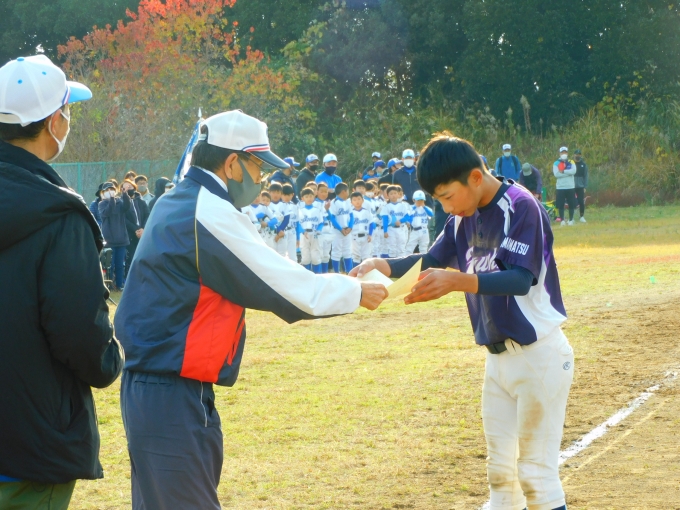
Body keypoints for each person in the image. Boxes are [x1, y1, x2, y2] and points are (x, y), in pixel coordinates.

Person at [114, 110, 387, 510]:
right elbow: (285, 286)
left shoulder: (178, 199)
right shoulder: (207, 210)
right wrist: (355, 291)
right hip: (170, 390)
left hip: (163, 386)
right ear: (231, 163)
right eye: (258, 166)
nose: (261, 178)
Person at [351, 132, 573, 510]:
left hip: (539, 355)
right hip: (497, 361)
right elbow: (431, 260)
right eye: (439, 200)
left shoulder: (521, 206)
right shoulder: (460, 219)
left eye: (448, 196)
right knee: (501, 478)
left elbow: (520, 279)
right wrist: (381, 265)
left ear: (474, 177)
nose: (447, 208)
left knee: (536, 476)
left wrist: (458, 281)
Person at [0, 54, 123, 507]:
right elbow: (79, 333)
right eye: (67, 110)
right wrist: (110, 359)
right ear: (54, 121)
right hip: (29, 445)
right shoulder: (59, 214)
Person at [99, 181, 131, 290]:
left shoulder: (120, 202)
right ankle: (109, 285)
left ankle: (119, 284)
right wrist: (112, 199)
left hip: (121, 239)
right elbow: (107, 212)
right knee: (110, 265)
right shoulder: (102, 204)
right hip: (109, 240)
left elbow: (127, 206)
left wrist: (125, 194)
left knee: (120, 265)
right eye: (107, 190)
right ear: (103, 192)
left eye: (112, 189)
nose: (110, 192)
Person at [120, 179, 150, 277]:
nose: (128, 188)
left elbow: (147, 215)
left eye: (130, 186)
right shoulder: (120, 202)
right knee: (131, 258)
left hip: (143, 234)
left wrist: (143, 229)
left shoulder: (141, 201)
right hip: (130, 235)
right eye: (125, 187)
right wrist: (135, 229)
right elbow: (123, 219)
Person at [329, 182, 354, 273]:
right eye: (347, 191)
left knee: (347, 251)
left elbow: (351, 215)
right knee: (336, 252)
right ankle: (336, 272)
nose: (348, 193)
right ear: (343, 191)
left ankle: (349, 271)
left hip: (347, 230)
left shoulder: (347, 202)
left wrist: (350, 227)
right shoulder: (334, 202)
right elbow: (332, 218)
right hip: (337, 231)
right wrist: (340, 229)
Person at [297, 187, 324, 272]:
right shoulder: (300, 210)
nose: (309, 198)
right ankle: (306, 276)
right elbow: (298, 224)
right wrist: (302, 231)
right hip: (304, 234)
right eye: (306, 196)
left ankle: (317, 275)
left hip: (315, 233)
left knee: (315, 257)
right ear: (302, 198)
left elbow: (321, 222)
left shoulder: (317, 210)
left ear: (314, 197)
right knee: (305, 257)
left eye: (311, 196)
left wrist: (319, 230)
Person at [380, 184, 410, 258]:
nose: (393, 195)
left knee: (401, 248)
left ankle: (401, 263)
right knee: (392, 248)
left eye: (395, 193)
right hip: (391, 229)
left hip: (401, 229)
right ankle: (392, 263)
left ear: (398, 194)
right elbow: (385, 219)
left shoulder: (403, 206)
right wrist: (385, 231)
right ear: (388, 195)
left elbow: (407, 216)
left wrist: (401, 221)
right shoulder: (387, 206)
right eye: (391, 194)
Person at [553, 146, 577, 226]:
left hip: (570, 186)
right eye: (562, 152)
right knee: (561, 204)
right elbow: (556, 174)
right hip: (560, 187)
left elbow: (573, 171)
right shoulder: (556, 163)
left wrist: (563, 171)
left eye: (565, 152)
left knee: (571, 204)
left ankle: (571, 219)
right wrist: (568, 173)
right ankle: (562, 220)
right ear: (560, 153)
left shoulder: (571, 161)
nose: (564, 154)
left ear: (567, 153)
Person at [349, 192, 374, 265]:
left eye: (359, 199)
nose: (357, 201)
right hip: (354, 236)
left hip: (365, 236)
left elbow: (371, 223)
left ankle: (365, 271)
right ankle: (356, 271)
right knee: (356, 256)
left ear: (363, 200)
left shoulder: (367, 212)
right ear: (351, 202)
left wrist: (370, 234)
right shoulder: (350, 213)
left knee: (366, 256)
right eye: (354, 200)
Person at [315, 182, 333, 273]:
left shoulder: (327, 203)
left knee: (326, 255)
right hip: (319, 231)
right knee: (319, 254)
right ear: (317, 192)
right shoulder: (314, 202)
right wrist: (325, 209)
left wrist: (327, 209)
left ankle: (325, 273)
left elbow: (330, 218)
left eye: (326, 191)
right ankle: (318, 274)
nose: (324, 193)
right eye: (321, 191)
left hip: (328, 230)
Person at [281, 184, 298, 260]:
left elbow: (298, 221)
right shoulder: (280, 205)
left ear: (292, 195)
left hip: (292, 231)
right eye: (284, 195)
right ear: (281, 195)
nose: (286, 197)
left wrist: (298, 237)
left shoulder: (295, 206)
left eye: (289, 195)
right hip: (283, 231)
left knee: (293, 255)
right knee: (282, 254)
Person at [573, 149, 588, 223]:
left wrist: (585, 186)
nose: (577, 156)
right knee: (572, 202)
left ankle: (581, 216)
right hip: (572, 186)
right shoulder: (571, 164)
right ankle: (571, 217)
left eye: (579, 154)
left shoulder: (583, 165)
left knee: (581, 202)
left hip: (580, 186)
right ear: (574, 155)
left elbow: (586, 176)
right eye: (576, 154)